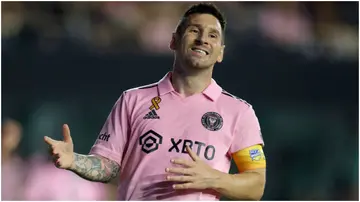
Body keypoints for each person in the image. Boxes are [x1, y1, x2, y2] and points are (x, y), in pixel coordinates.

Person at [44, 3, 266, 200]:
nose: (203, 39)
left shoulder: (239, 112)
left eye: (213, 35)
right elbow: (108, 167)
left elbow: (256, 185)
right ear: (173, 40)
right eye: (194, 30)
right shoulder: (133, 100)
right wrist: (73, 161)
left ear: (220, 53)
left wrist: (213, 178)